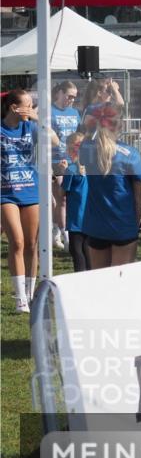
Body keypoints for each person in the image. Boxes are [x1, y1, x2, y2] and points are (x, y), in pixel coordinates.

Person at [78, 105, 141, 268]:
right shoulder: (131, 154)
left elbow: (86, 140)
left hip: (95, 226)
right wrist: (134, 226)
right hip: (123, 224)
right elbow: (138, 198)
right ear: (120, 125)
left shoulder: (86, 149)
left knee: (99, 283)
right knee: (121, 284)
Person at [2, 90, 48, 311]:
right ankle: (20, 297)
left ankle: (30, 294)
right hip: (6, 193)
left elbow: (56, 141)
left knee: (32, 245)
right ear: (14, 107)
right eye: (28, 106)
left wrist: (38, 119)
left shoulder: (30, 127)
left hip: (30, 190)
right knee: (17, 242)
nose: (31, 109)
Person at [51, 80, 80, 250]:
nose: (71, 100)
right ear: (59, 93)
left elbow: (77, 137)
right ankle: (65, 235)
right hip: (55, 161)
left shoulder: (75, 112)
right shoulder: (49, 111)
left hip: (72, 161)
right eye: (69, 96)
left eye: (74, 97)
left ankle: (57, 231)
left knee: (67, 199)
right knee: (61, 199)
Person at [59, 131, 89, 272]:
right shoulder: (93, 166)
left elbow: (61, 193)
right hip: (91, 217)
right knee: (88, 250)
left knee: (76, 251)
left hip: (76, 219)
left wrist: (63, 171)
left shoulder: (71, 170)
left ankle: (81, 279)